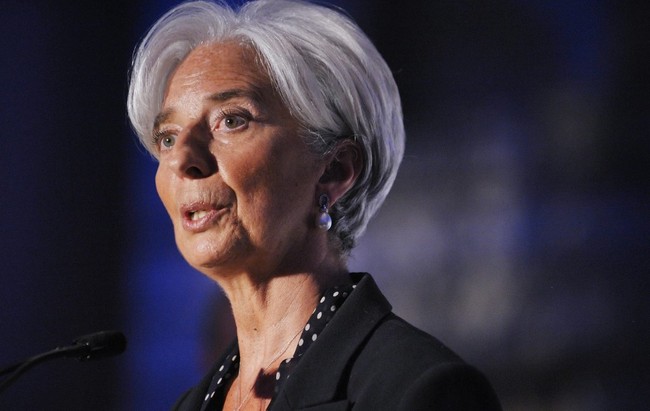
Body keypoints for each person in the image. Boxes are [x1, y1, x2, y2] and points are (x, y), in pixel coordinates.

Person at [127, 0, 502, 409]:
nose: (182, 159)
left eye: (231, 120)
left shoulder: (416, 390)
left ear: (335, 171)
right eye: (167, 137)